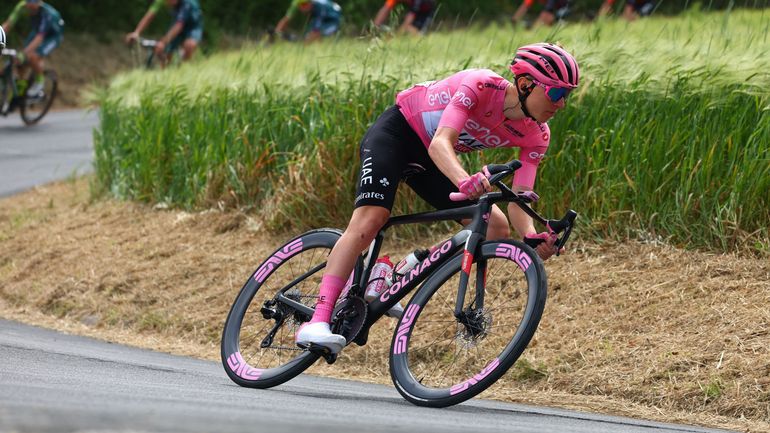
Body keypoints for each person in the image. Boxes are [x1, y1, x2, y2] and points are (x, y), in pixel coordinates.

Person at [295, 42, 580, 353]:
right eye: (557, 93)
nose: (562, 103)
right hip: (398, 134)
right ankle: (318, 321)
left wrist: (530, 237)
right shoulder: (481, 85)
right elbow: (440, 143)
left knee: (496, 227)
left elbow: (520, 198)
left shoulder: (538, 134)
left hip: (429, 160)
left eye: (568, 95)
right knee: (371, 220)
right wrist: (464, 180)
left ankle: (400, 272)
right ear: (526, 85)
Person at [1, 0, 63, 97]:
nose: (30, 6)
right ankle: (20, 91)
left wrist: (25, 53)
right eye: (28, 2)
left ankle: (39, 82)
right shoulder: (22, 6)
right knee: (20, 61)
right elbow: (8, 25)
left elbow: (40, 37)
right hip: (37, 31)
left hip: (52, 36)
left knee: (32, 56)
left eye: (34, 3)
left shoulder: (47, 13)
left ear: (39, 3)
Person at [125, 0, 203, 65]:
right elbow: (150, 15)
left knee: (189, 45)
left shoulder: (187, 3)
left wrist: (163, 42)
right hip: (177, 22)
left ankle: (185, 67)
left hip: (192, 26)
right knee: (166, 54)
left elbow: (179, 25)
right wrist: (137, 32)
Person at [275, 0, 342, 43]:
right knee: (308, 35)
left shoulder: (319, 7)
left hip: (333, 19)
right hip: (320, 16)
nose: (302, 8)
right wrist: (276, 33)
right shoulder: (296, 3)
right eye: (300, 5)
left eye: (305, 5)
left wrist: (303, 44)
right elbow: (286, 19)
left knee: (316, 34)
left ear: (311, 2)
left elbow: (316, 31)